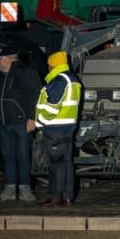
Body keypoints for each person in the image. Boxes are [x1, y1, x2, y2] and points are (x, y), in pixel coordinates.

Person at [0, 47, 42, 202]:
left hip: (22, 122)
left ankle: (25, 188)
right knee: (8, 156)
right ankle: (10, 188)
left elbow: (35, 95)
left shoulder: (27, 73)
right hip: (4, 123)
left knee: (23, 155)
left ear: (8, 59)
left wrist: (32, 117)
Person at [34, 51, 81, 206]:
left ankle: (56, 196)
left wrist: (39, 122)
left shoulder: (59, 80)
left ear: (53, 65)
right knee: (66, 164)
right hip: (67, 128)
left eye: (48, 65)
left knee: (56, 166)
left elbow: (51, 108)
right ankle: (68, 196)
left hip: (55, 129)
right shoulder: (72, 79)